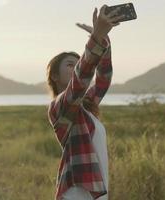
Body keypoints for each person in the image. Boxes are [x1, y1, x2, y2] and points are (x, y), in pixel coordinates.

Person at [46, 5, 124, 200]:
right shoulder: (59, 108)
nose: (76, 67)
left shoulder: (85, 105)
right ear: (54, 76)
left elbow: (103, 78)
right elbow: (82, 77)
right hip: (75, 194)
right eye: (70, 65)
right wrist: (96, 38)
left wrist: (103, 40)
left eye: (77, 63)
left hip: (95, 193)